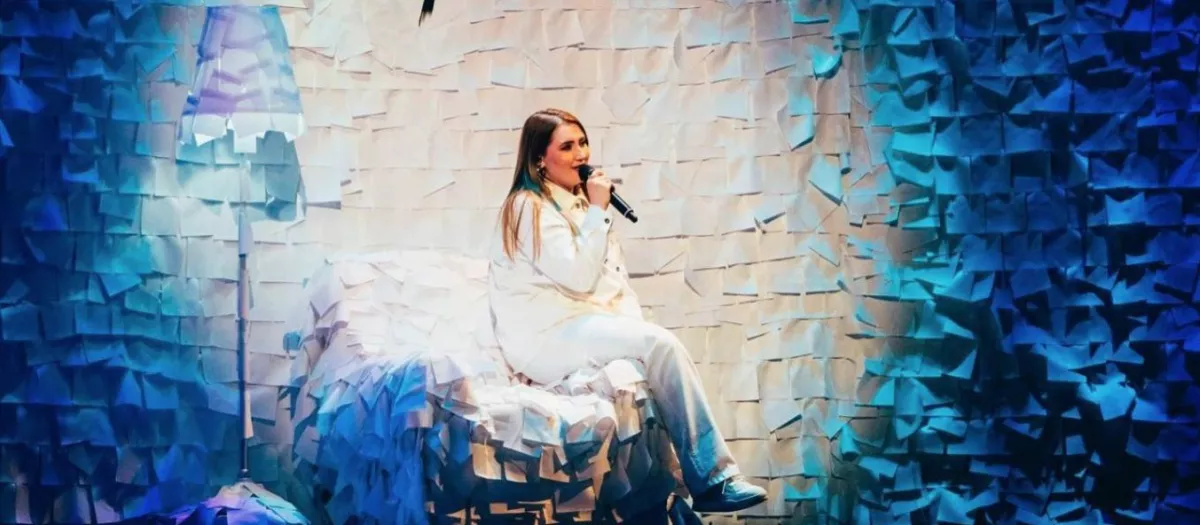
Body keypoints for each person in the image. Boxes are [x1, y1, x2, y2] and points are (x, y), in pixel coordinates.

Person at [487, 108, 768, 513]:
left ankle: (677, 490)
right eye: (567, 147)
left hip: (579, 325)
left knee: (653, 354)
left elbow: (612, 284)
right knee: (662, 346)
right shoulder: (527, 206)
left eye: (583, 142)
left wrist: (636, 332)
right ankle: (713, 480)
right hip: (546, 335)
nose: (581, 154)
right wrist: (599, 210)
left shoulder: (578, 204)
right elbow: (578, 277)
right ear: (539, 159)